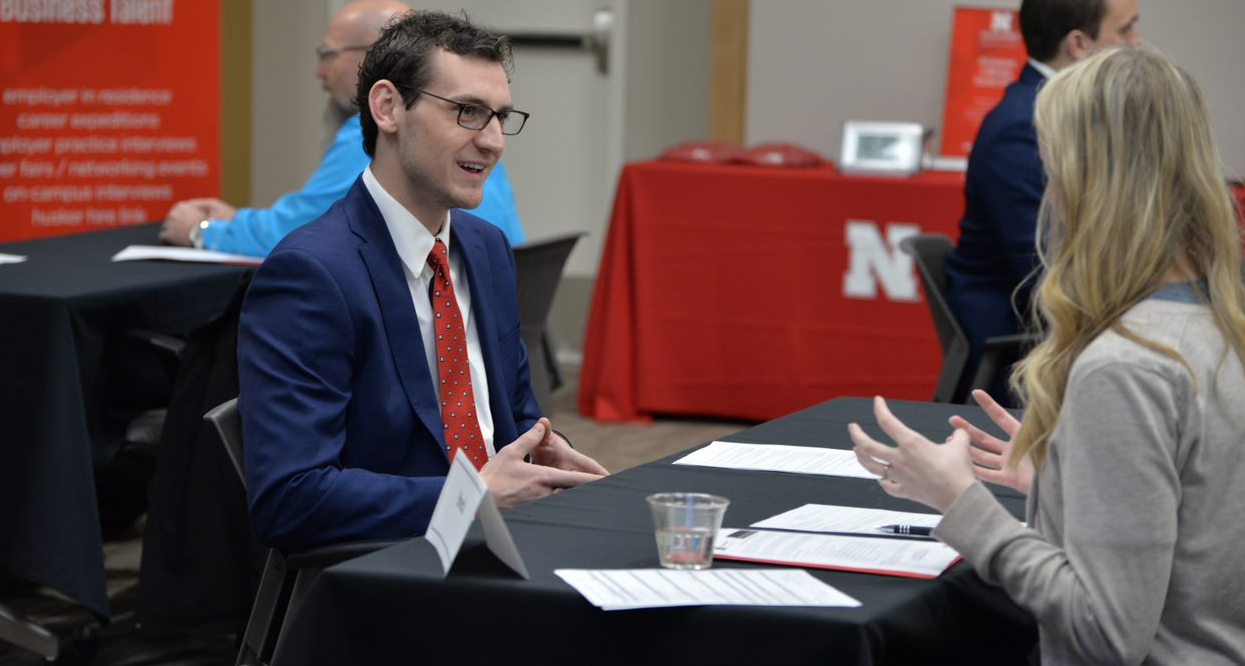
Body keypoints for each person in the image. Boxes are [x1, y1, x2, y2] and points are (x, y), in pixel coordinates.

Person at [850, 47, 1245, 665]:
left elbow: (1105, 635)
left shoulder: (1126, 366)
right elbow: (1205, 524)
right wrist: (1064, 484)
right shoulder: (1221, 326)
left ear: (1088, 186)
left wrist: (962, 503)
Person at [237, 10, 607, 552]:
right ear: (388, 107)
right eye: (468, 113)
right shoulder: (311, 275)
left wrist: (546, 452)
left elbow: (517, 417)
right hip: (399, 567)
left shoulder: (485, 249)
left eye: (501, 116)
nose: (495, 141)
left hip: (508, 541)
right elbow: (290, 497)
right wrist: (472, 496)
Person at [157, 0, 525, 256]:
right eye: (466, 111)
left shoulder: (374, 141)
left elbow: (294, 234)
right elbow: (318, 232)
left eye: (327, 55)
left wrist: (201, 231)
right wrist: (236, 219)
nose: (493, 142)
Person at [941, 0, 1141, 402]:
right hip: (1021, 343)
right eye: (1125, 30)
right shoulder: (1022, 127)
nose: (1136, 42)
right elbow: (1045, 267)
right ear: (1078, 44)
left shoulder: (1065, 114)